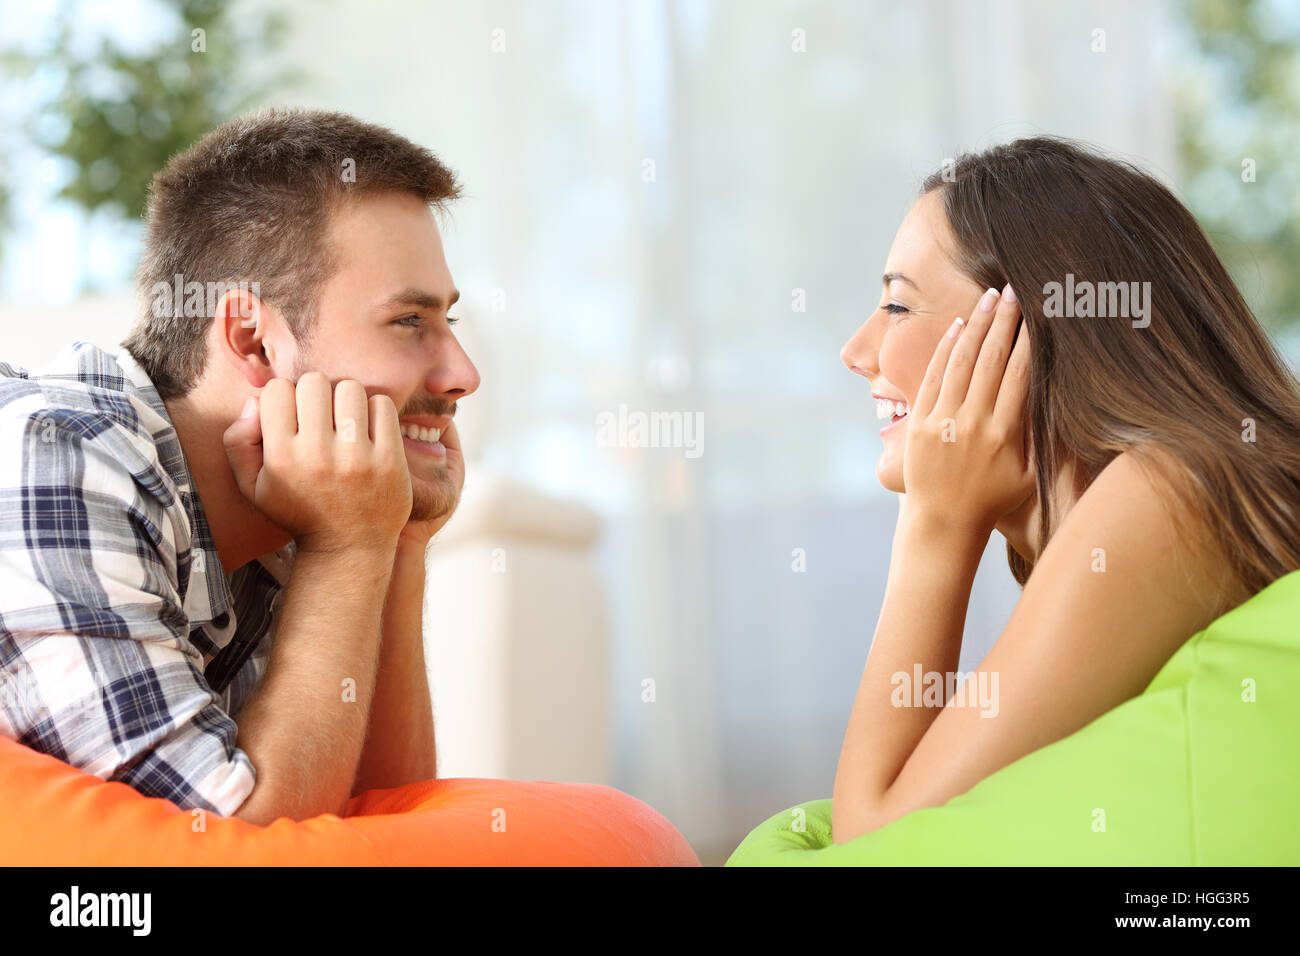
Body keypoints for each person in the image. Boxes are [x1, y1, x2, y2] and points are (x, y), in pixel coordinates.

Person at [0, 108, 480, 826]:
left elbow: (380, 825)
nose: (461, 375)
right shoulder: (55, 457)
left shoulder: (288, 501)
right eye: (409, 322)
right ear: (255, 342)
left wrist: (395, 540)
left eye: (450, 322)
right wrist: (350, 547)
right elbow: (233, 842)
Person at [833, 136, 1300, 844]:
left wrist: (934, 524)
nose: (856, 351)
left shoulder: (1170, 489)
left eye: (898, 308)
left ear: (1029, 338)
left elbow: (872, 844)